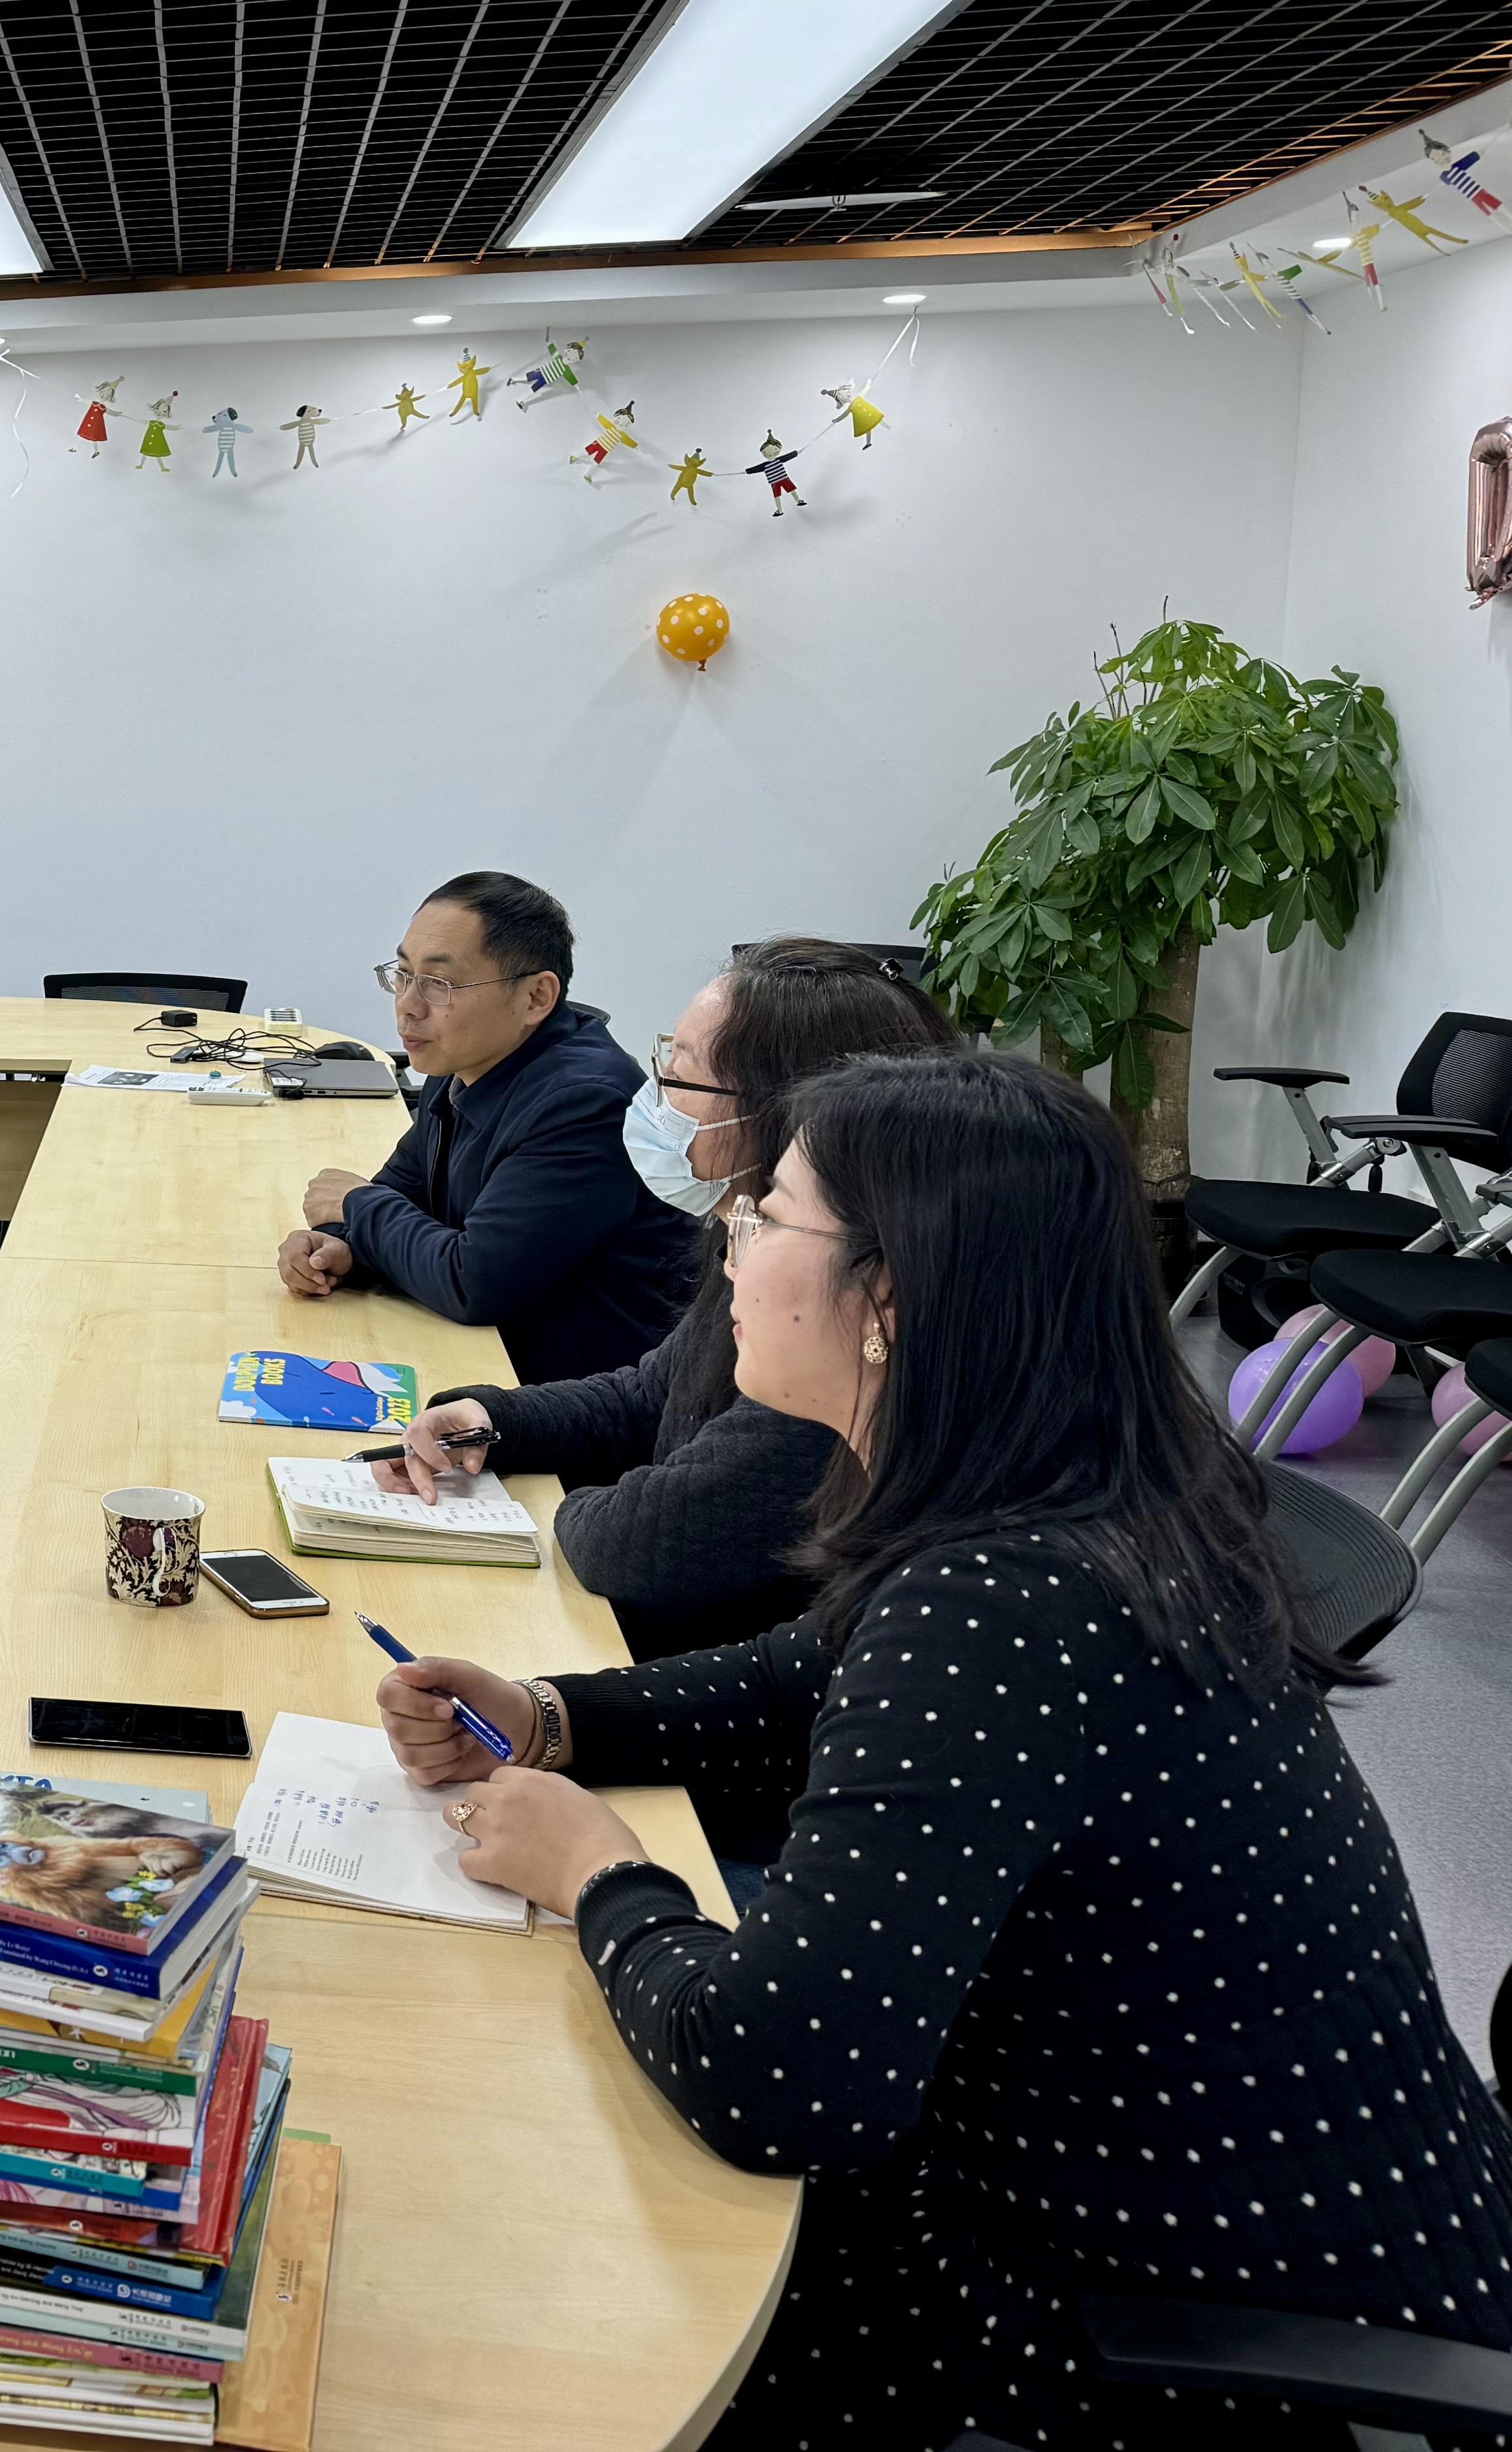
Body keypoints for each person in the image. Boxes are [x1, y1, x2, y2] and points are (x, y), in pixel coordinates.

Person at [373, 1051, 1512, 2446]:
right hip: (1253, 2204)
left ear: (891, 1300)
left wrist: (600, 1873)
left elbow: (777, 2077)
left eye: (769, 1215)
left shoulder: (1005, 1601)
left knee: (531, 2298)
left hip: (1193, 2329)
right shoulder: (1076, 1497)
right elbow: (801, 1676)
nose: (729, 1241)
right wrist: (551, 1714)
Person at [375, 940, 960, 1668]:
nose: (653, 1097)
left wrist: (572, 1504)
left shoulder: (845, 1328)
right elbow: (649, 1396)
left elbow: (639, 1546)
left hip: (702, 1678)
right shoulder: (746, 1226)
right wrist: (496, 1420)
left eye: (679, 1075)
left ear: (789, 1115)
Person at [279, 872, 698, 1383]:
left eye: (439, 984)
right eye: (403, 975)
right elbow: (404, 1192)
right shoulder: (464, 1062)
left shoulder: (587, 1102)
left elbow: (474, 1282)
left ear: (536, 997)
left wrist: (355, 1205)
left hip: (580, 1397)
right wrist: (339, 1247)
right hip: (493, 1359)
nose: (408, 1005)